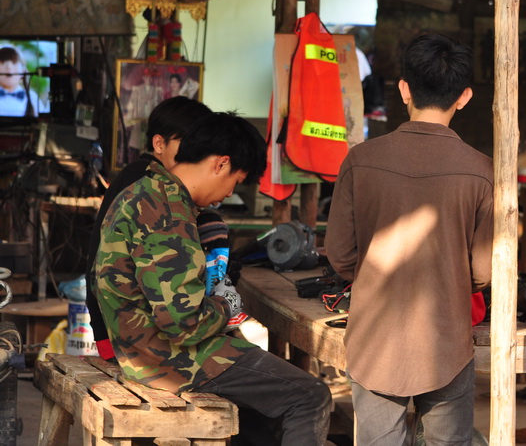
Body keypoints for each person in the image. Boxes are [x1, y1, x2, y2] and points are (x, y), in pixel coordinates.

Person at [94, 111, 332, 445]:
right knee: (310, 396)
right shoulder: (167, 212)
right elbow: (184, 325)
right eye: (235, 181)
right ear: (221, 164)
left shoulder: (144, 189)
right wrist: (225, 305)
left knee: (266, 416)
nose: (228, 194)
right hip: (168, 359)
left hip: (141, 348)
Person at [325, 34, 493, 445]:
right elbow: (484, 271)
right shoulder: (482, 170)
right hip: (447, 341)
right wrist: (449, 275)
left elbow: (340, 255)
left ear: (403, 89)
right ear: (464, 97)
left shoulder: (360, 160)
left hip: (374, 340)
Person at [85, 96, 213, 362]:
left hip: (121, 330)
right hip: (127, 339)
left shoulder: (146, 177)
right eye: (188, 145)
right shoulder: (147, 181)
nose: (196, 155)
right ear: (159, 144)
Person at [0, 45, 36, 117]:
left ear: (23, 71)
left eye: (14, 63)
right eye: (3, 62)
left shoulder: (32, 97)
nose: (9, 67)